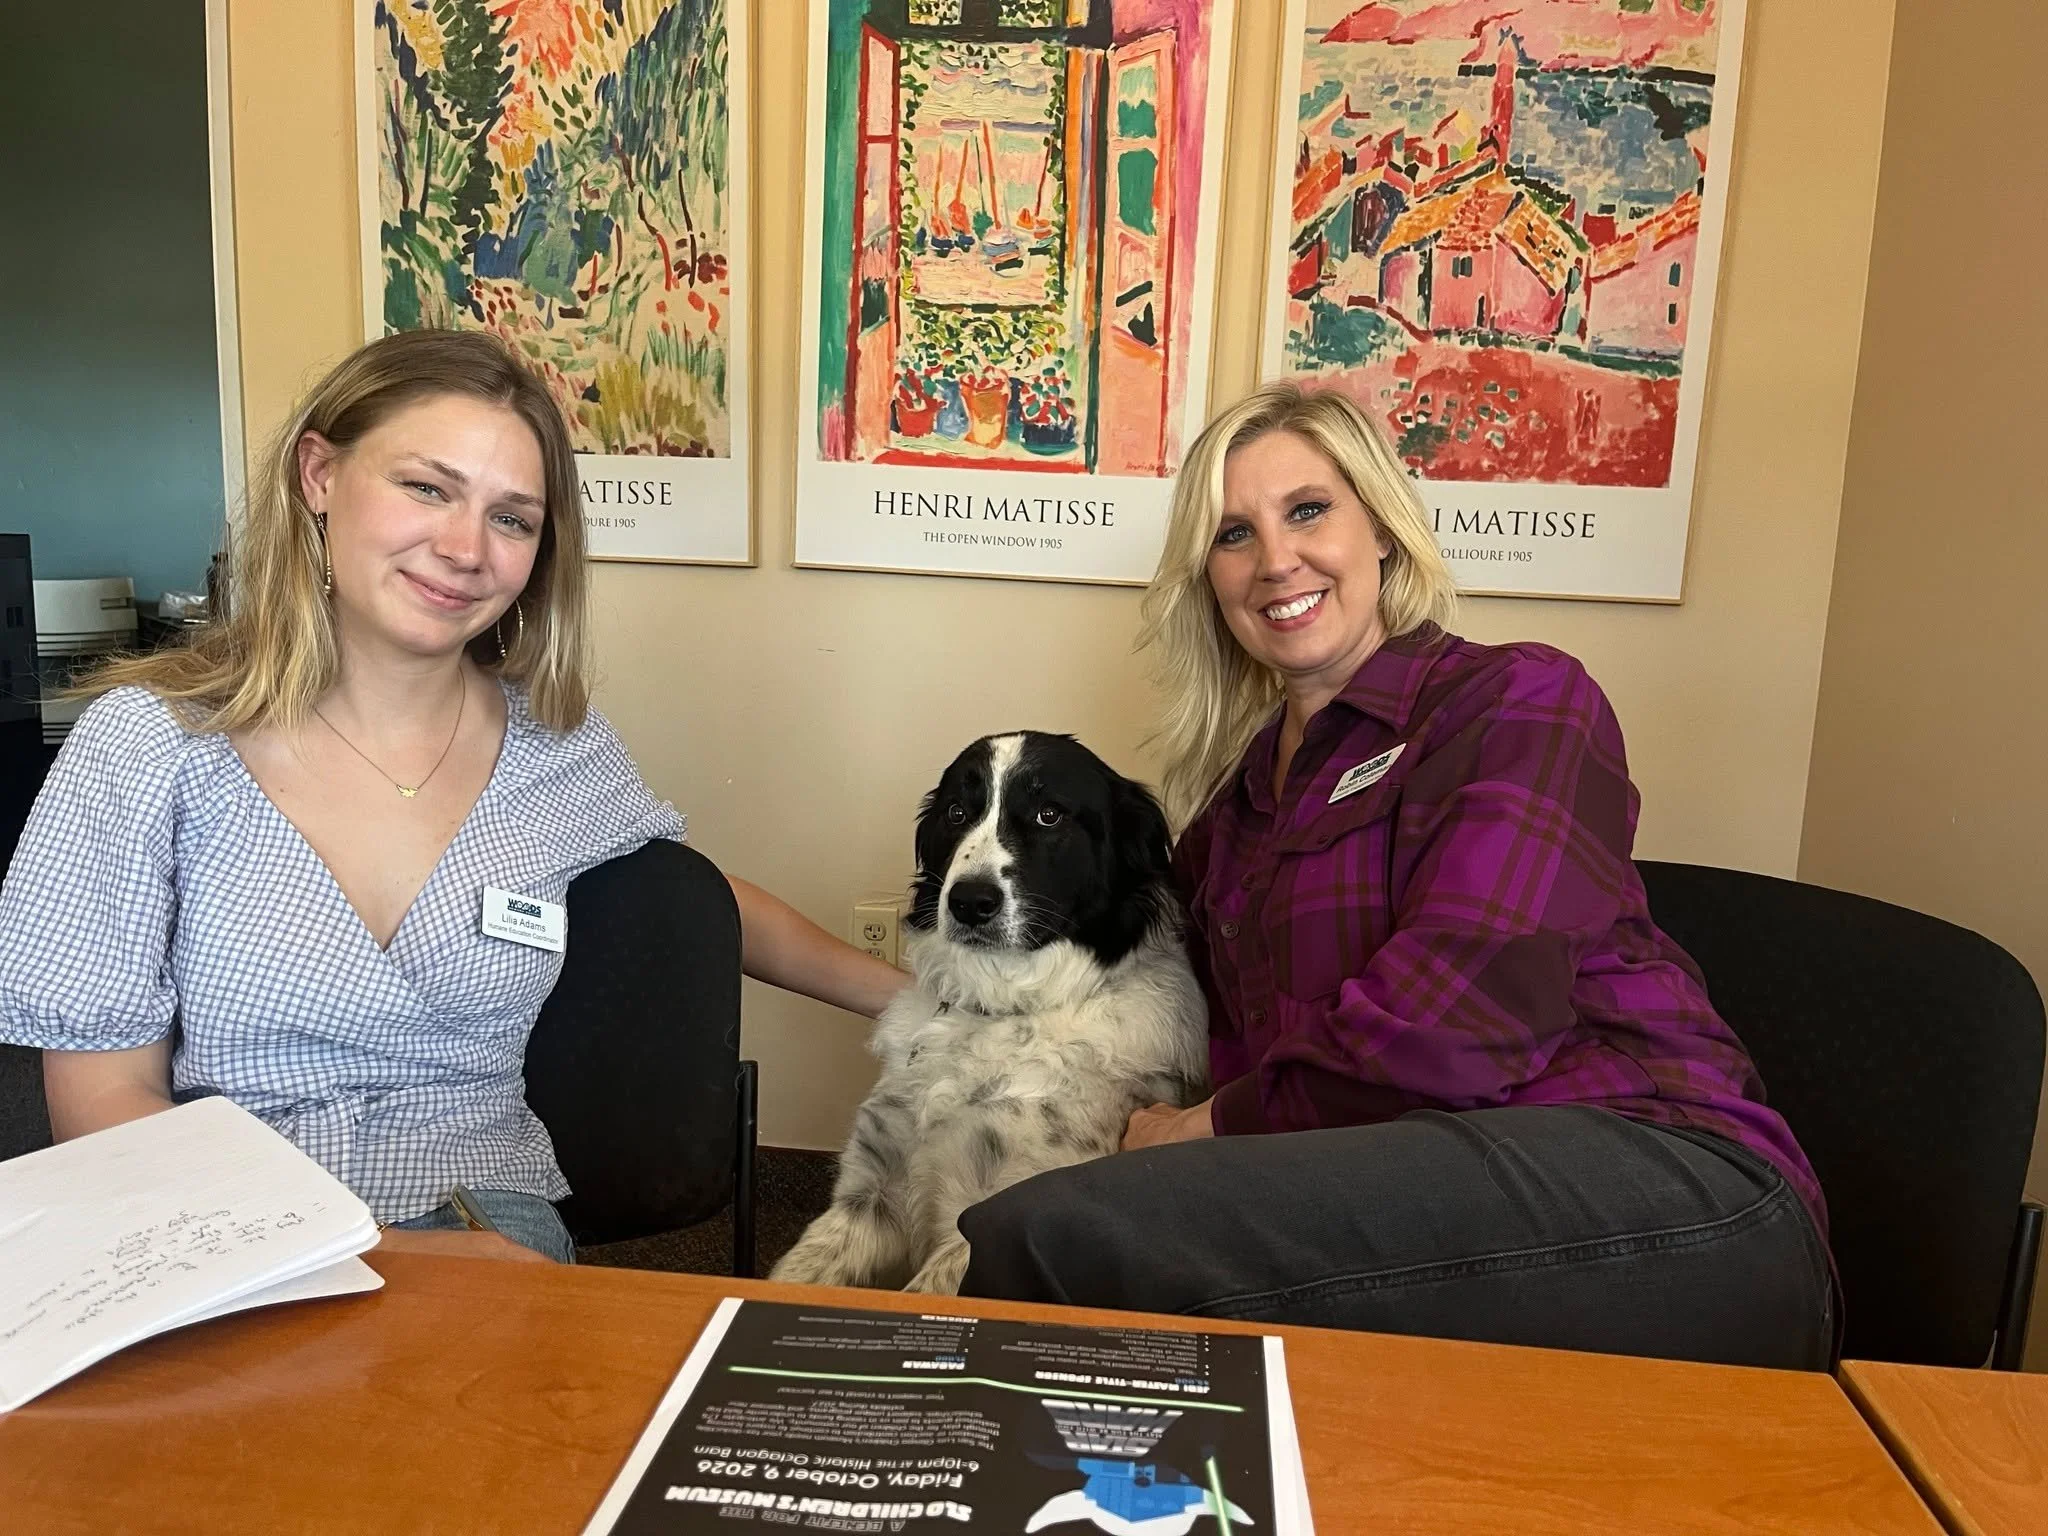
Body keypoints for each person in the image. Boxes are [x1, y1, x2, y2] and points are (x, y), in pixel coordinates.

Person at [958, 382, 1836, 1369]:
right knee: (1045, 1217)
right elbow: (1119, 993)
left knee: (1051, 1236)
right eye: (1231, 534)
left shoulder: (1517, 701)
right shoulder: (1232, 818)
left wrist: (1208, 1125)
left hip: (1669, 1186)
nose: (1274, 559)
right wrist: (914, 1010)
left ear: (1378, 528)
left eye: (1306, 511)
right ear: (1207, 577)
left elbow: (1461, 1015)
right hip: (1400, 1197)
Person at [0, 330, 904, 1263]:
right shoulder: (146, 748)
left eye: (512, 519)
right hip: (218, 1231)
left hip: (486, 1216)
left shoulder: (556, 745)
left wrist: (922, 1000)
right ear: (319, 474)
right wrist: (372, 1258)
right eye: (426, 488)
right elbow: (104, 1107)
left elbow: (696, 899)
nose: (466, 547)